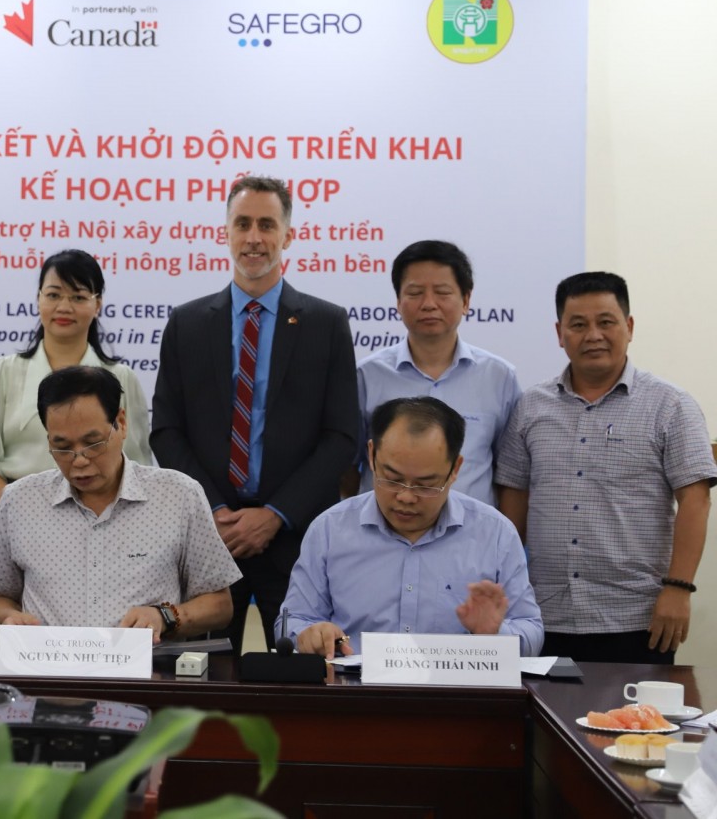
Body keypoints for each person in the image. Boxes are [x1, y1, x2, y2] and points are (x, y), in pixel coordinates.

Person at [151, 176, 358, 653]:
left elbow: (341, 435)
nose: (254, 237)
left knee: (297, 679)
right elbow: (167, 429)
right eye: (242, 223)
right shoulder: (186, 323)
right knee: (196, 675)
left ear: (289, 235)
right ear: (224, 232)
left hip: (295, 541)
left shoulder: (327, 324)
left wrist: (274, 515)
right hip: (209, 538)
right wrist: (216, 513)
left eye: (268, 224)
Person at [495, 272, 716, 664]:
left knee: (634, 726)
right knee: (543, 725)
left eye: (606, 322)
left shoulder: (671, 406)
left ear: (629, 327)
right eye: (577, 325)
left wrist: (679, 588)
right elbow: (513, 507)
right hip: (545, 616)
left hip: (638, 617)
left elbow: (695, 501)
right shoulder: (530, 407)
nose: (592, 334)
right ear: (559, 333)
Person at [0, 366, 242, 641]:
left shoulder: (178, 496)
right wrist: (9, 616)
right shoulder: (20, 501)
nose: (78, 460)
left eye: (93, 443)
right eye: (62, 446)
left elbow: (219, 605)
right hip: (48, 673)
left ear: (121, 423)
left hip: (147, 674)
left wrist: (165, 616)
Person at [279, 397, 543, 658]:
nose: (406, 497)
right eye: (392, 479)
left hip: (455, 695)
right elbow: (291, 621)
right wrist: (310, 634)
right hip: (354, 692)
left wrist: (492, 636)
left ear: (455, 469)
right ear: (371, 455)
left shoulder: (495, 534)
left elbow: (531, 632)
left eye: (425, 484)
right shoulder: (330, 529)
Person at [0, 249, 152, 510]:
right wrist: (36, 516)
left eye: (78, 296)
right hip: (22, 520)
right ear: (38, 299)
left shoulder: (122, 378)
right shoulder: (4, 372)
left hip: (104, 522)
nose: (64, 307)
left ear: (97, 305)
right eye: (53, 295)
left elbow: (138, 467)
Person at [345, 240, 520, 506]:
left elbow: (510, 474)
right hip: (383, 538)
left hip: (472, 539)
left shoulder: (499, 377)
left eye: (442, 292)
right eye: (415, 293)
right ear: (398, 301)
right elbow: (348, 467)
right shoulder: (367, 376)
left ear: (466, 300)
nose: (429, 304)